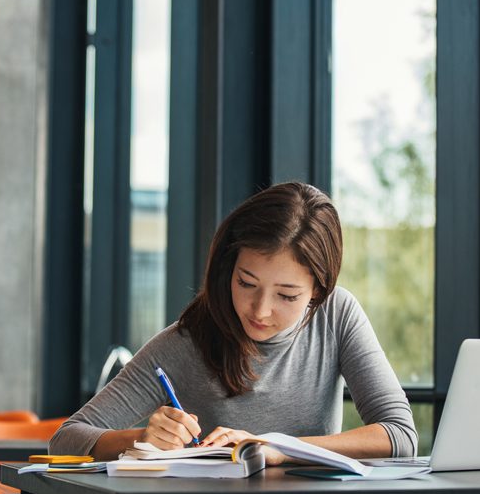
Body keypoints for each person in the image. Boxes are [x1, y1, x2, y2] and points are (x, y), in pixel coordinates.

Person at [49, 182, 417, 464]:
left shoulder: (336, 315)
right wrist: (141, 438)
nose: (260, 310)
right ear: (228, 269)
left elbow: (399, 435)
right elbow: (66, 439)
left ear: (318, 292)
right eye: (246, 283)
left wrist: (275, 447)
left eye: (286, 296)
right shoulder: (187, 341)